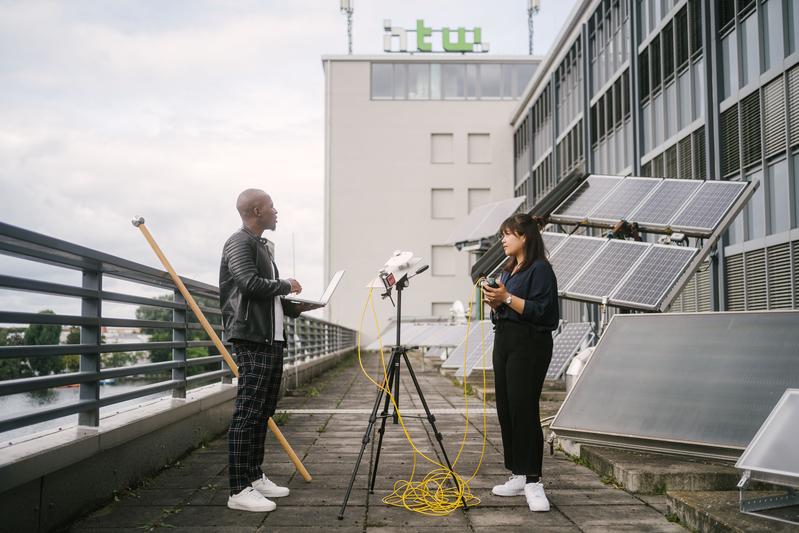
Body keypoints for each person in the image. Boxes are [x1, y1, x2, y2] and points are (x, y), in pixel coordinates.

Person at [219, 188, 310, 512]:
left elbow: (263, 294)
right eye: (271, 206)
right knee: (248, 413)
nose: (276, 211)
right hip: (252, 338)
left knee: (262, 411)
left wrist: (292, 306)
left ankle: (254, 477)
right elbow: (247, 283)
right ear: (256, 210)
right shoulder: (239, 242)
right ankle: (238, 489)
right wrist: (285, 284)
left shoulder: (259, 246)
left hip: (270, 339)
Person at [482, 213, 559, 512]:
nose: (503, 240)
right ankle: (517, 472)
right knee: (506, 408)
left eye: (507, 234)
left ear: (524, 236)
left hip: (530, 345)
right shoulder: (509, 271)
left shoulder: (540, 270)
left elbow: (544, 313)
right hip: (505, 342)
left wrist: (507, 297)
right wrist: (496, 302)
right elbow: (505, 308)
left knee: (524, 409)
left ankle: (534, 481)